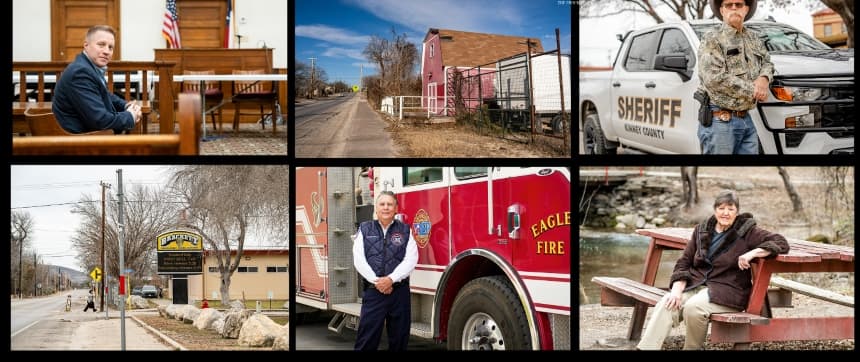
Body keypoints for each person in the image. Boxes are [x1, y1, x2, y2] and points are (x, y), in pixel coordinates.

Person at [636, 190, 789, 350]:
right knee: (667, 303)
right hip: (696, 285)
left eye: (731, 209)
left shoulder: (746, 232)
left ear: (737, 212)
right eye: (722, 208)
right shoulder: (701, 230)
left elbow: (781, 242)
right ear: (715, 209)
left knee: (693, 307)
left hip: (728, 290)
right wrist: (676, 289)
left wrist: (753, 252)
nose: (726, 213)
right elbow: (684, 262)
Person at [696, 0, 773, 154]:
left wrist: (764, 78)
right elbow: (714, 78)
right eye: (728, 5)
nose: (733, 8)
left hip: (747, 119)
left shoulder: (753, 38)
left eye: (738, 4)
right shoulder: (712, 38)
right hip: (720, 120)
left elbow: (767, 63)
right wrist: (755, 90)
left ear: (746, 9)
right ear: (722, 10)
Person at [352, 191, 418, 351]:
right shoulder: (365, 229)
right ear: (376, 207)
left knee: (399, 341)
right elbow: (359, 259)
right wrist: (378, 282)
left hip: (399, 293)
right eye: (382, 204)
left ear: (396, 208)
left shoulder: (405, 230)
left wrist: (390, 280)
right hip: (374, 293)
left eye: (390, 204)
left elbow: (411, 259)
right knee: (366, 341)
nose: (386, 208)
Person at [52, 25, 141, 134]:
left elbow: (104, 94)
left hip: (88, 136)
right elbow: (100, 121)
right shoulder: (80, 73)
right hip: (80, 142)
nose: (107, 51)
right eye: (101, 45)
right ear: (86, 45)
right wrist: (130, 116)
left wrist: (125, 105)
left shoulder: (87, 67)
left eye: (110, 47)